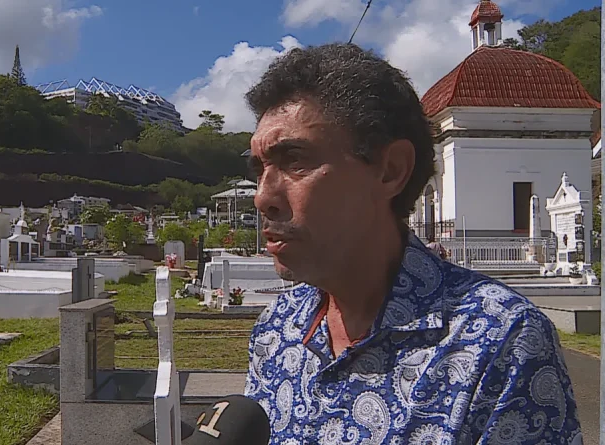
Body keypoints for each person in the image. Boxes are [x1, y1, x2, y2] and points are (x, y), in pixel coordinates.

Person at [243, 43, 581, 445]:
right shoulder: (277, 328)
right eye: (259, 168)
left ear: (390, 171)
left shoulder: (498, 341)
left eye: (295, 160)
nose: (262, 197)